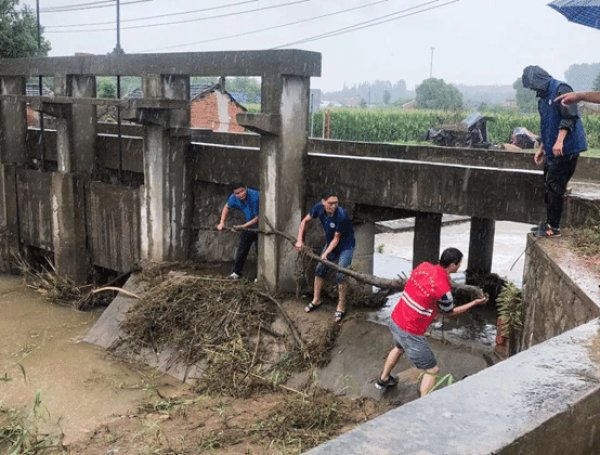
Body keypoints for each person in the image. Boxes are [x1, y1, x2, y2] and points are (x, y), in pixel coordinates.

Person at [375, 248, 488, 396]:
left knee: (399, 348)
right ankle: (424, 403)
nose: (460, 266)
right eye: (459, 263)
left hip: (396, 317)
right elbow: (450, 312)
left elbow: (421, 287)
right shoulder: (444, 291)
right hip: (410, 330)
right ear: (453, 265)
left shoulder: (423, 266)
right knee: (432, 370)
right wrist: (473, 303)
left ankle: (383, 379)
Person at [521, 65, 588, 238]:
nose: (533, 89)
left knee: (555, 186)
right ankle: (549, 223)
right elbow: (546, 125)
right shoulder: (543, 98)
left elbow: (569, 117)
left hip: (567, 149)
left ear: (539, 79)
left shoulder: (561, 89)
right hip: (552, 150)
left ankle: (554, 228)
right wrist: (542, 148)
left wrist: (559, 141)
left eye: (533, 85)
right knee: (549, 184)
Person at [295, 188, 355, 322]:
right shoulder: (318, 208)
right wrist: (299, 240)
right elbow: (305, 221)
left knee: (340, 275)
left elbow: (337, 239)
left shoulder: (341, 215)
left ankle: (341, 306)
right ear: (323, 202)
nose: (333, 206)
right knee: (319, 270)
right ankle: (316, 300)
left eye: (336, 203)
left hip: (345, 246)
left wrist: (325, 253)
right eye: (330, 203)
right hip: (330, 242)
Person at [216, 181, 259, 279]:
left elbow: (258, 217)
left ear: (246, 188)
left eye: (242, 191)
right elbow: (226, 207)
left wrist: (243, 226)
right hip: (249, 226)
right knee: (242, 249)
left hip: (261, 227)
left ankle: (258, 276)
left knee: (260, 251)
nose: (240, 194)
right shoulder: (233, 197)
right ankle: (236, 273)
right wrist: (222, 222)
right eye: (237, 193)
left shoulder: (255, 196)